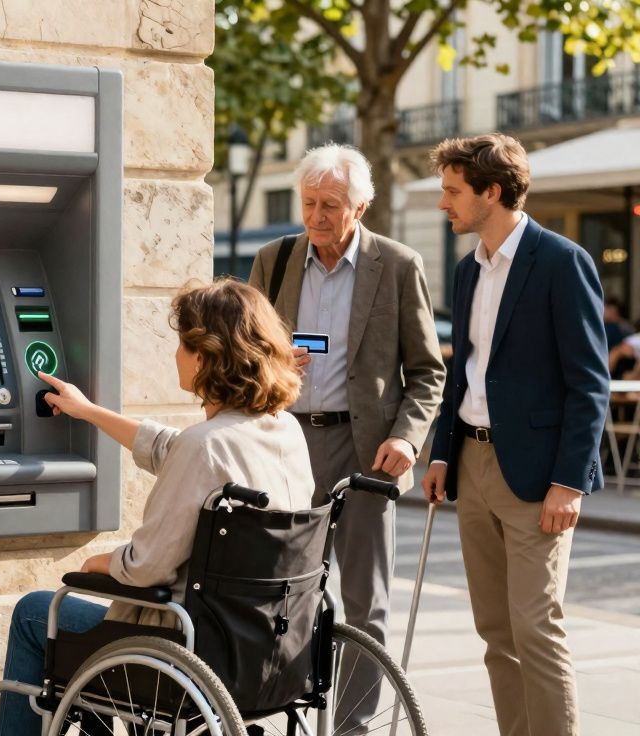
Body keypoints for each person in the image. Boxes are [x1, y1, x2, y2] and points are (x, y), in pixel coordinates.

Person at [0, 280, 315, 736]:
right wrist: (89, 411)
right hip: (264, 649)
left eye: (182, 345)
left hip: (182, 649)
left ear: (203, 355)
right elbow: (175, 448)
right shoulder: (284, 431)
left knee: (34, 610)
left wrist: (100, 562)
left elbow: (146, 567)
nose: (175, 356)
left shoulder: (205, 448)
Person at [247, 143, 445, 726]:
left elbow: (429, 372)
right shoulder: (274, 260)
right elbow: (247, 352)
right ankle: (273, 712)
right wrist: (274, 364)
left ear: (360, 206)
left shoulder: (399, 265)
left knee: (365, 603)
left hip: (366, 454)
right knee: (274, 592)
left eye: (330, 204)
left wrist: (408, 439)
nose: (315, 217)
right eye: (308, 203)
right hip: (284, 446)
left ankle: (353, 726)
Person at [421, 134, 608, 736]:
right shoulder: (466, 270)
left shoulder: (561, 262)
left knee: (535, 626)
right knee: (495, 630)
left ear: (491, 192)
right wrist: (442, 454)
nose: (444, 203)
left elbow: (589, 384)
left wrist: (567, 482)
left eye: (453, 191)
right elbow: (464, 371)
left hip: (537, 475)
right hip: (471, 466)